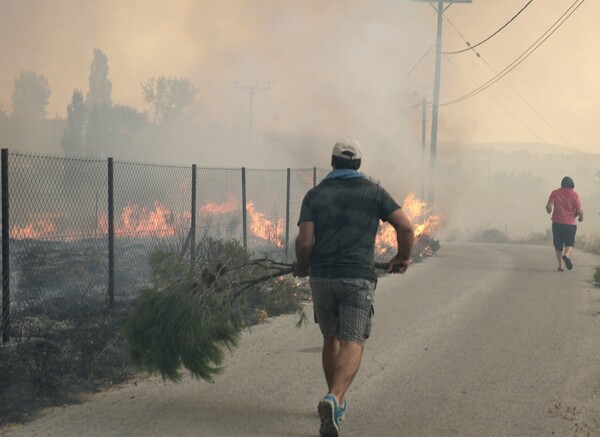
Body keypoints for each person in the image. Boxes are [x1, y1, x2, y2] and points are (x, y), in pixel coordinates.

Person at [294, 138, 414, 437]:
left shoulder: (316, 194)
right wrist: (403, 256)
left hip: (323, 277)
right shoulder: (374, 192)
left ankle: (336, 400)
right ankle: (335, 398)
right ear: (359, 165)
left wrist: (302, 264)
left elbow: (305, 241)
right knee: (353, 341)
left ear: (332, 162)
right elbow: (406, 226)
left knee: (330, 337)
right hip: (357, 277)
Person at [545, 176, 583, 271]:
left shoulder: (555, 193)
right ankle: (566, 255)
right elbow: (580, 210)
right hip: (570, 224)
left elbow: (549, 207)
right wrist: (581, 218)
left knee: (558, 244)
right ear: (572, 185)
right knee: (569, 243)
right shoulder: (575, 195)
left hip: (557, 223)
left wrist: (549, 211)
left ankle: (561, 266)